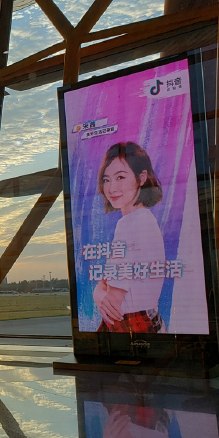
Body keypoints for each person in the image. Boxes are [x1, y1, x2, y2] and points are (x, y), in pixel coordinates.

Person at [93, 142, 166, 333]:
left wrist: (98, 293)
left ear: (141, 178)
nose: (111, 188)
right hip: (144, 321)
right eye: (106, 179)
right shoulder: (143, 219)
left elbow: (112, 303)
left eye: (120, 177)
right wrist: (100, 290)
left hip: (133, 325)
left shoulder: (131, 224)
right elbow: (109, 283)